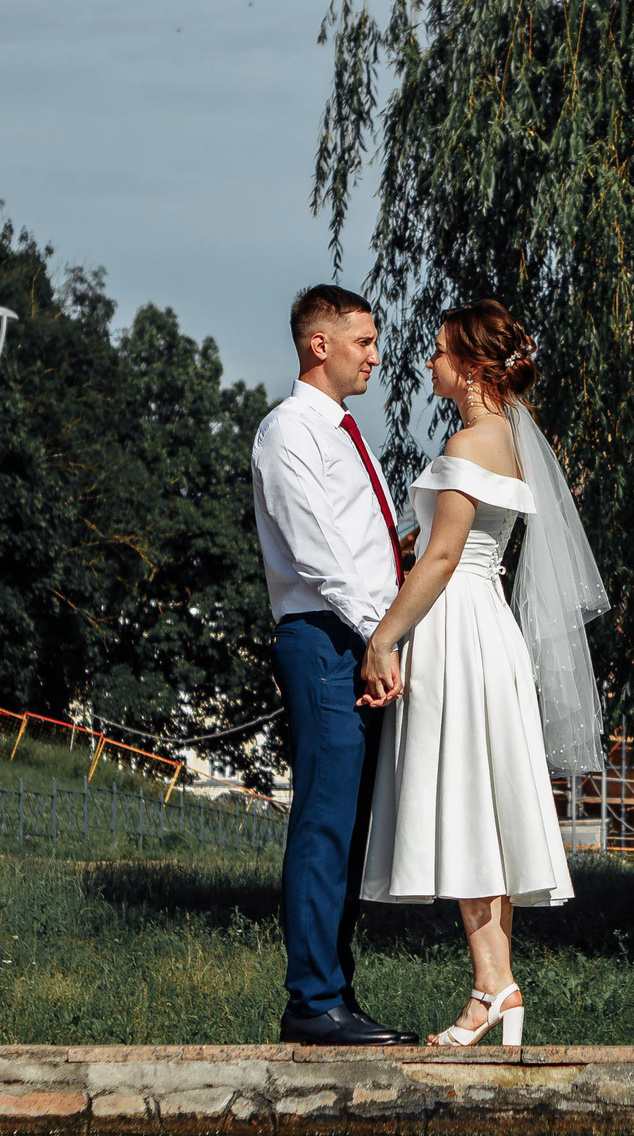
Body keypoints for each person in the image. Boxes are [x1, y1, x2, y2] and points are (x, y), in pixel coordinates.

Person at [356, 299, 608, 1046]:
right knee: (483, 805)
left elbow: (440, 557)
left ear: (469, 367)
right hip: (486, 621)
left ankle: (491, 987)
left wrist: (383, 638)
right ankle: (494, 985)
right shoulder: (514, 442)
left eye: (438, 352)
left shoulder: (470, 441)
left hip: (456, 623)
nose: (427, 362)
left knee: (465, 801)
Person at [250, 284, 421, 1047]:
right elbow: (318, 554)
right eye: (365, 341)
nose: (376, 356)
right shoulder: (289, 431)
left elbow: (360, 549)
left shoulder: (346, 433)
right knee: (323, 820)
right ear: (320, 344)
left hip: (354, 634)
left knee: (347, 826)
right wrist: (378, 635)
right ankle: (311, 1000)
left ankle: (333, 992)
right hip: (324, 638)